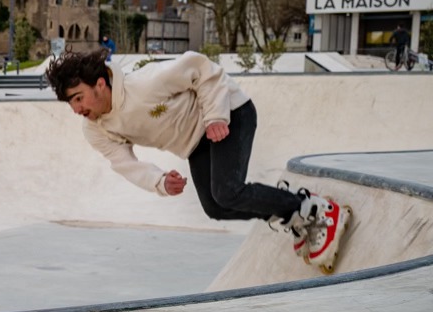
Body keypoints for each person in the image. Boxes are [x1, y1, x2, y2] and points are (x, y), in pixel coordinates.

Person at [44, 48, 348, 269]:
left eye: (78, 98)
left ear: (99, 83)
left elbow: (201, 67)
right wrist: (160, 182)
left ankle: (315, 210)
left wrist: (216, 116)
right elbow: (124, 163)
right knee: (215, 207)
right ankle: (288, 209)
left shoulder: (145, 83)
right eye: (71, 103)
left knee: (227, 190)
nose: (77, 110)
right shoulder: (95, 129)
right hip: (195, 143)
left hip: (231, 112)